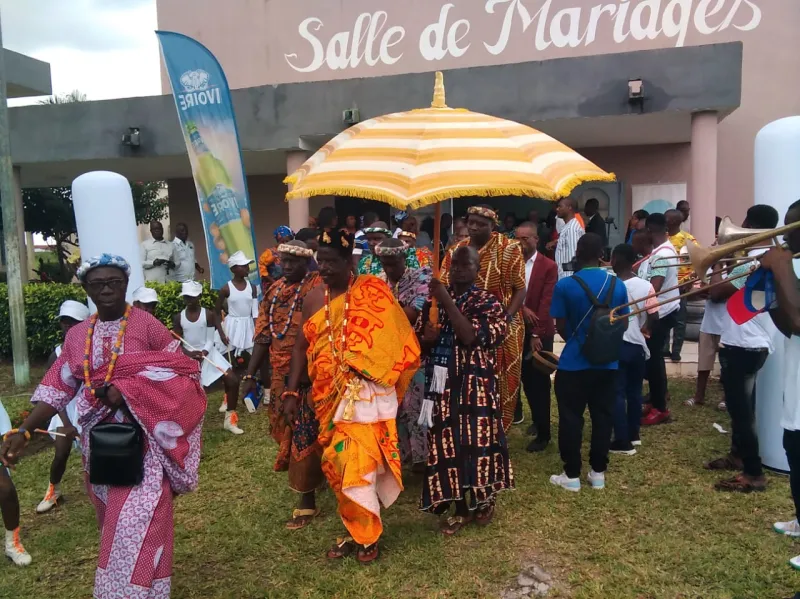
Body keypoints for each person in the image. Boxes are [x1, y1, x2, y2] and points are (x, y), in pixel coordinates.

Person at [1, 253, 206, 597]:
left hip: (146, 443)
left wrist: (128, 391)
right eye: (98, 283)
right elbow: (57, 387)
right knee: (115, 527)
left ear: (126, 284)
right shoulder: (77, 335)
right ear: (86, 288)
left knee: (138, 524)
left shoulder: (146, 325)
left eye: (115, 282)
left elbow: (183, 373)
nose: (107, 289)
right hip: (99, 448)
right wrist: (23, 431)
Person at [282, 229, 420, 563]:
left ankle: (366, 536)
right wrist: (290, 390)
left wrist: (366, 363)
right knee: (337, 463)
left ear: (349, 262)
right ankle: (355, 527)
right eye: (321, 261)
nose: (325, 268)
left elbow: (397, 337)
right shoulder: (315, 297)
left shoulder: (373, 291)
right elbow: (301, 347)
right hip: (327, 397)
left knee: (359, 463)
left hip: (367, 396)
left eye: (332, 262)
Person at [418, 245, 513, 533]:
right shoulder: (431, 302)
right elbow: (419, 343)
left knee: (477, 441)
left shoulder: (488, 302)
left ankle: (484, 499)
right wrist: (428, 338)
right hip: (438, 380)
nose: (458, 269)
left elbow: (470, 336)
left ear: (477, 269)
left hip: (474, 383)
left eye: (466, 264)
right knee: (446, 440)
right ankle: (458, 504)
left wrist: (446, 299)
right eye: (454, 264)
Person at [244, 241, 322, 528]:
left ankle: (307, 500)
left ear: (305, 263)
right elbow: (263, 336)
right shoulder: (274, 291)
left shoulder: (317, 288)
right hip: (279, 374)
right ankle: (315, 478)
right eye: (283, 261)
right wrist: (251, 375)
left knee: (304, 433)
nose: (286, 266)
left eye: (293, 262)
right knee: (283, 427)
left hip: (309, 375)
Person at [705, 205, 779, 493]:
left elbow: (716, 292)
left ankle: (753, 473)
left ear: (749, 225)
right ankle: (738, 455)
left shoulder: (753, 262)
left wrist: (717, 261)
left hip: (745, 344)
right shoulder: (758, 259)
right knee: (741, 408)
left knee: (741, 411)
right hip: (748, 341)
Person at [549, 234, 629, 492]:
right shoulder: (618, 285)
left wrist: (578, 339)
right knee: (603, 418)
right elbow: (623, 322)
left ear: (577, 252)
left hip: (573, 364)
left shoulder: (565, 285)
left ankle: (571, 475)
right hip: (607, 364)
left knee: (571, 419)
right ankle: (598, 473)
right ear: (602, 254)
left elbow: (560, 325)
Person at [441, 205, 526, 430]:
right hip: (462, 324)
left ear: (493, 226)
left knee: (501, 382)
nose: (475, 227)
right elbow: (443, 285)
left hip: (503, 322)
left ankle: (498, 429)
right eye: (471, 222)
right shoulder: (455, 251)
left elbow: (520, 289)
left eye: (481, 224)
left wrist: (506, 318)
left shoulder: (509, 249)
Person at [761, 200, 800, 568]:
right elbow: (789, 325)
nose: (784, 234)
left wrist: (782, 267)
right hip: (796, 389)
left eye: (792, 226)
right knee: (794, 451)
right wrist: (768, 288)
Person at [376, 238, 432, 471]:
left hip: (416, 352)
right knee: (393, 406)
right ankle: (400, 457)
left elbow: (410, 314)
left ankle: (423, 459)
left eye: (393, 263)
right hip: (386, 355)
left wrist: (382, 313)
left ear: (403, 258)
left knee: (416, 405)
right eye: (385, 264)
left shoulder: (421, 278)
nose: (390, 269)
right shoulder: (377, 282)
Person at [36, 300, 91, 514]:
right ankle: (53, 491)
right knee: (60, 453)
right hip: (64, 410)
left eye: (73, 322)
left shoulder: (93, 349)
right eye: (64, 322)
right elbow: (53, 392)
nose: (68, 326)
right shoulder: (55, 355)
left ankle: (105, 489)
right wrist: (67, 422)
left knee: (99, 452)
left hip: (91, 407)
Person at [172, 281, 242, 435]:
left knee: (233, 380)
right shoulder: (179, 317)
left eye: (193, 297)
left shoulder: (208, 314)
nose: (189, 300)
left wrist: (204, 352)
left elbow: (210, 339)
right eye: (187, 297)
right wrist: (189, 354)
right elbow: (177, 342)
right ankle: (189, 427)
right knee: (188, 393)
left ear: (199, 296)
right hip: (189, 356)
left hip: (208, 353)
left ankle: (230, 419)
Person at [611, 244, 658, 454]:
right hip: (638, 346)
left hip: (618, 344)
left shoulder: (611, 285)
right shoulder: (646, 285)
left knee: (618, 392)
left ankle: (622, 441)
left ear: (617, 261)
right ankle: (634, 434)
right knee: (635, 391)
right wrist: (646, 328)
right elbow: (654, 315)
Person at [515, 222, 557, 452]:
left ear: (536, 240)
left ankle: (544, 433)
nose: (521, 243)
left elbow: (546, 303)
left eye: (525, 239)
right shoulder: (511, 262)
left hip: (538, 332)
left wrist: (535, 334)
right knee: (524, 379)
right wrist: (521, 308)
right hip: (515, 329)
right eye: (518, 238)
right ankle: (535, 419)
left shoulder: (548, 266)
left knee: (538, 382)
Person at [640, 213, 681, 426]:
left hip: (660, 313)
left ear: (649, 231)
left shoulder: (662, 255)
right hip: (661, 310)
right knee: (653, 360)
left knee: (653, 360)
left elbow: (653, 287)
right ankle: (657, 399)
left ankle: (660, 408)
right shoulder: (662, 251)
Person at [663, 209, 698, 362]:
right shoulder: (661, 238)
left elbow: (698, 262)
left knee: (680, 320)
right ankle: (663, 349)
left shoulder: (688, 239)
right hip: (664, 285)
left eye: (667, 218)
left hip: (681, 286)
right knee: (663, 316)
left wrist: (689, 282)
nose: (665, 220)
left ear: (675, 222)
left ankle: (676, 351)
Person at [216, 251, 257, 361]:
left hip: (249, 325)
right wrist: (222, 334)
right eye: (243, 266)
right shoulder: (226, 288)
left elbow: (255, 312)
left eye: (247, 265)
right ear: (233, 269)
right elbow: (215, 313)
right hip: (232, 326)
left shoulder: (252, 287)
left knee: (250, 357)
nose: (247, 268)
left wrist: (257, 329)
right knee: (231, 357)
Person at [553, 197, 584, 280]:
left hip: (568, 276)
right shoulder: (567, 226)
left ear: (569, 208)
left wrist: (569, 279)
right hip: (563, 275)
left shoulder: (572, 228)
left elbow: (573, 256)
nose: (557, 209)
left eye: (560, 206)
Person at [258, 225, 295, 293]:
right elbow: (261, 267)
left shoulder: (293, 252)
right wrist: (273, 281)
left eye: (287, 241)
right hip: (273, 287)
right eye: (281, 242)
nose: (284, 244)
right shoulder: (270, 253)